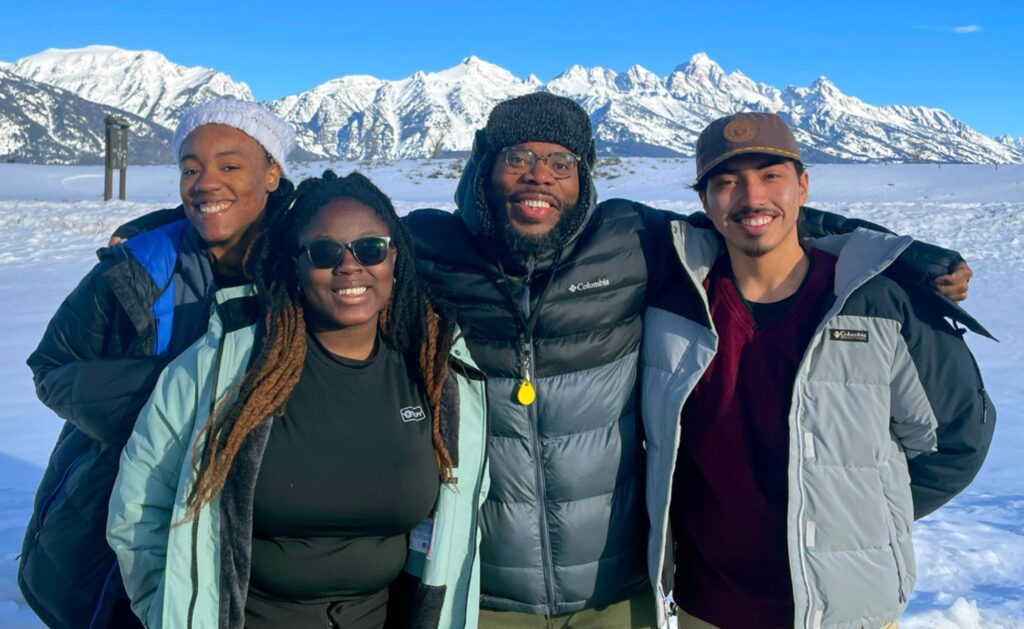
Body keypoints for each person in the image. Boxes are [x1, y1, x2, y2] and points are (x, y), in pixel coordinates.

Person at [110, 93, 974, 627]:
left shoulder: (636, 238)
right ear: (484, 172)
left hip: (619, 588)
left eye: (560, 161)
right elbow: (324, 233)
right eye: (517, 157)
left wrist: (913, 253)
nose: (538, 176)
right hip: (487, 591)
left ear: (584, 177)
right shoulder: (425, 252)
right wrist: (188, 227)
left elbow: (755, 216)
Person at [640, 112, 995, 628]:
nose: (751, 196)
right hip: (707, 609)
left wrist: (865, 515)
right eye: (727, 182)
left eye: (771, 176)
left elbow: (958, 438)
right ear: (704, 202)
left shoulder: (877, 301)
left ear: (803, 187)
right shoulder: (673, 305)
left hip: (848, 613)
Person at [107, 171, 489, 629]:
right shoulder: (222, 368)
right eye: (325, 253)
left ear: (395, 259)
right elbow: (138, 510)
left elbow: (459, 514)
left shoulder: (437, 374)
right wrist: (167, 612)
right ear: (296, 265)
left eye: (370, 248)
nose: (350, 266)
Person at [20, 99, 294, 628]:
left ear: (273, 173)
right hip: (119, 518)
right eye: (190, 168)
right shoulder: (138, 269)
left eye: (230, 165)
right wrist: (165, 405)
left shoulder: (315, 263)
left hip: (268, 531)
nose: (205, 182)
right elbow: (52, 365)